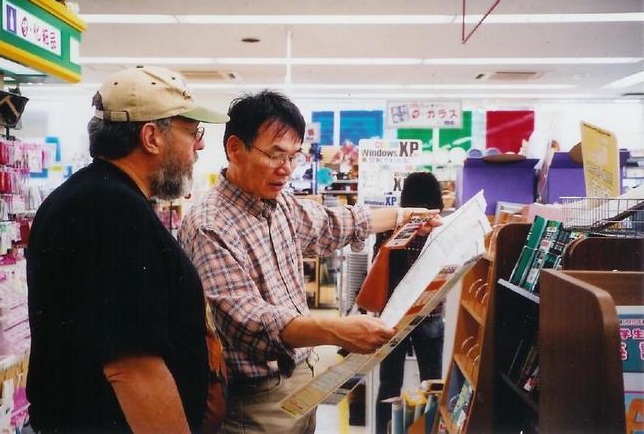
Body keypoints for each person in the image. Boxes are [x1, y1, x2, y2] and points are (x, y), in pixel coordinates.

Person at [179, 90, 441, 434]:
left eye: (293, 156)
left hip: (300, 380)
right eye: (275, 155)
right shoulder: (210, 225)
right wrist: (335, 331)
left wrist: (406, 216)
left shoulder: (279, 203)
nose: (286, 169)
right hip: (255, 402)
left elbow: (337, 223)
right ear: (234, 149)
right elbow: (249, 321)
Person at [26, 66, 229, 433]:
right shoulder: (109, 210)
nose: (199, 145)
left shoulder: (97, 197)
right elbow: (133, 368)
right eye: (192, 131)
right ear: (151, 136)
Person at [373, 171, 446, 434]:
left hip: (394, 315)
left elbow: (377, 269)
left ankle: (384, 431)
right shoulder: (441, 228)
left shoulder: (391, 227)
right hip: (431, 311)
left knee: (389, 383)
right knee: (431, 383)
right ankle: (426, 430)